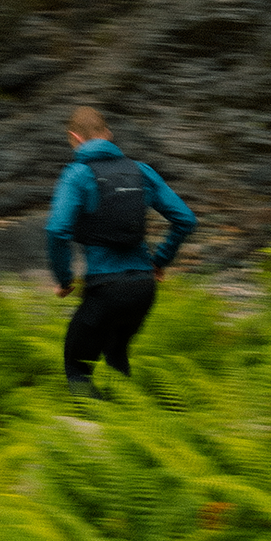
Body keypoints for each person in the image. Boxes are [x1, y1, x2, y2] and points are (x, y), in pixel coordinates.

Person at [46, 105, 196, 397]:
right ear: (108, 134)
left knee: (77, 366)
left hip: (105, 289)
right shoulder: (141, 171)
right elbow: (185, 220)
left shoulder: (76, 175)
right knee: (116, 356)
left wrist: (64, 281)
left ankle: (95, 431)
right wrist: (160, 261)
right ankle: (129, 419)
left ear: (74, 137)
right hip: (142, 289)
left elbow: (56, 231)